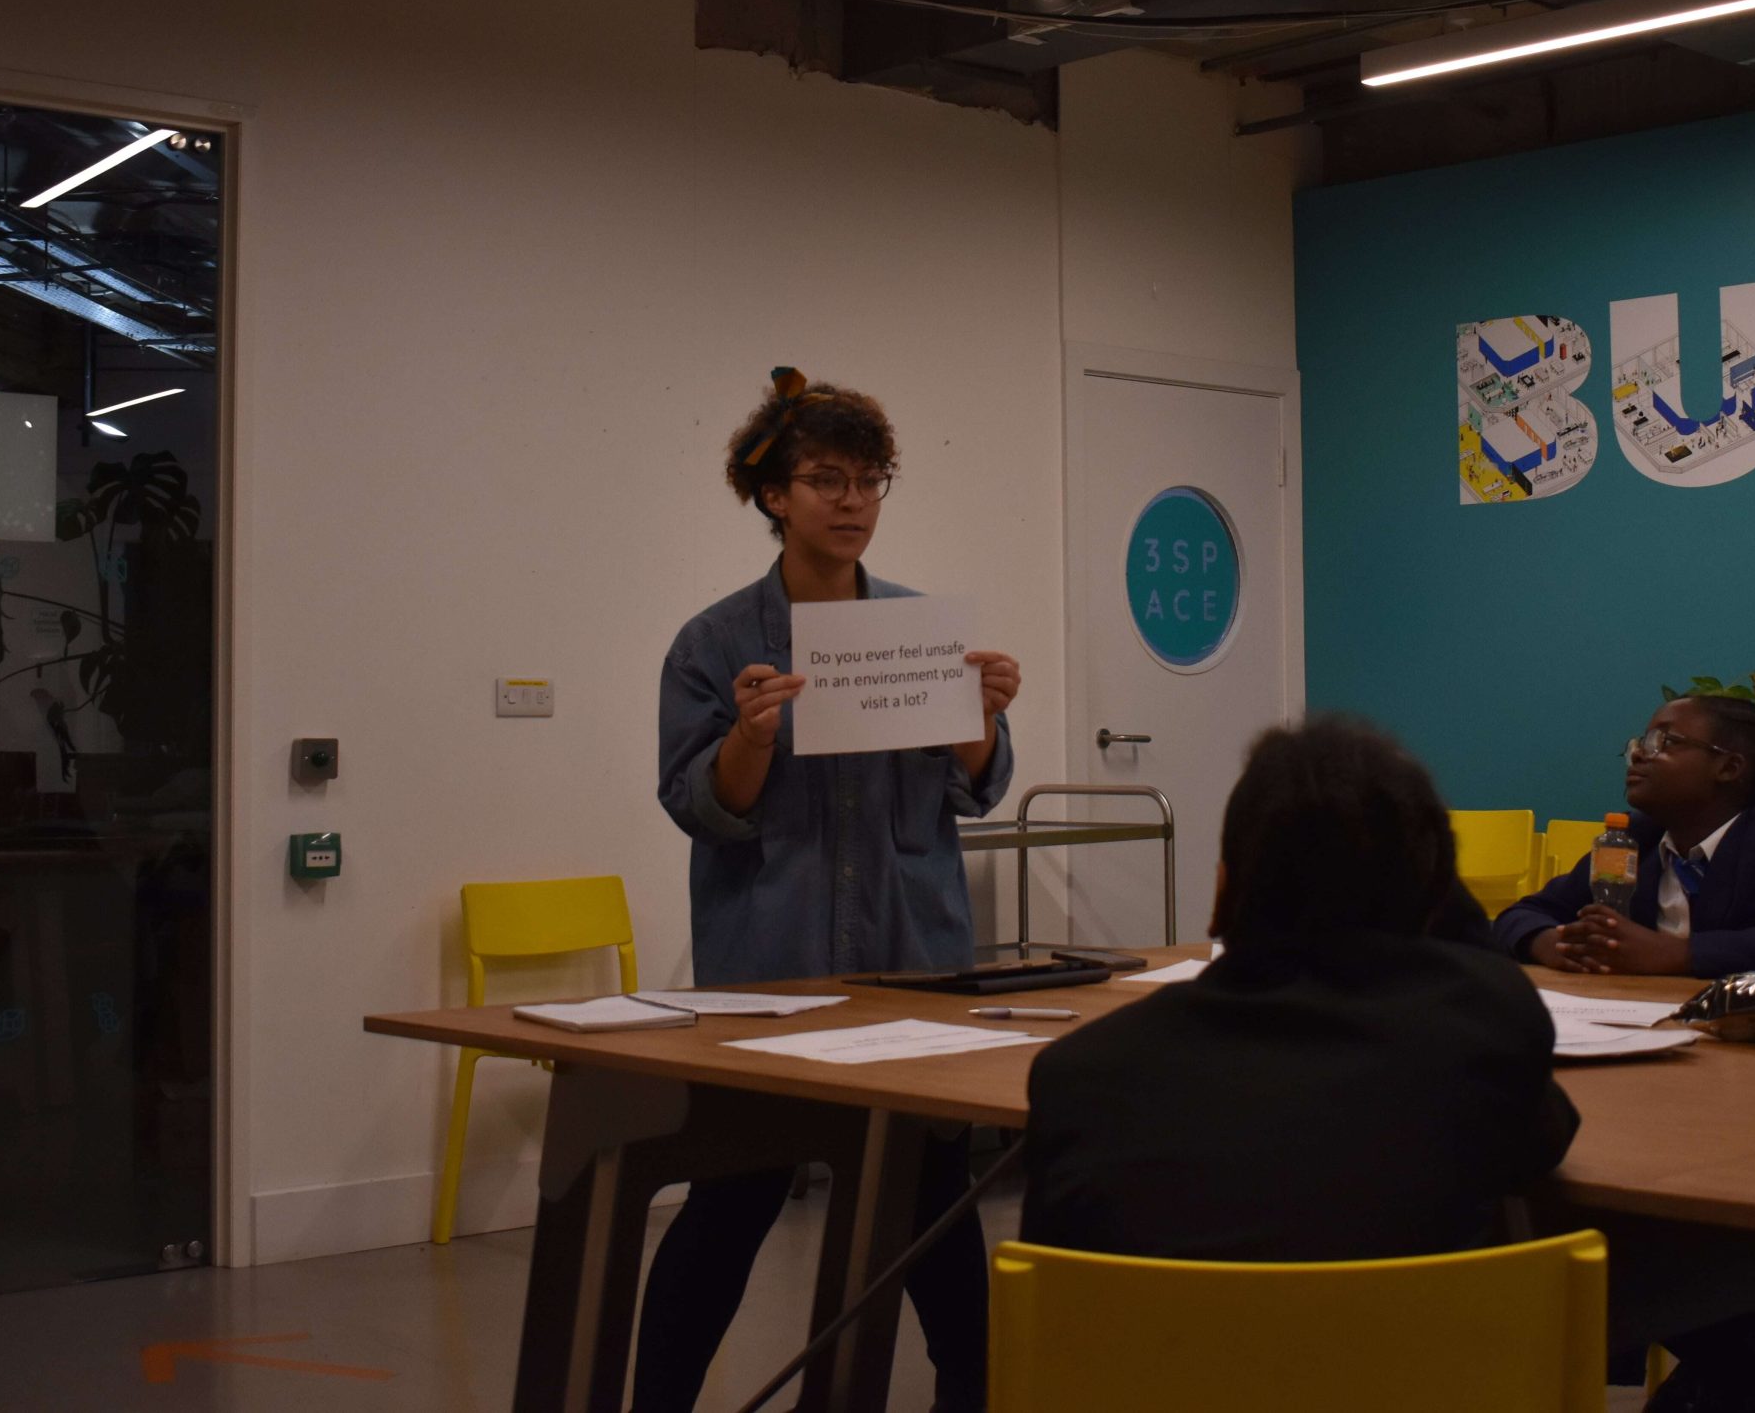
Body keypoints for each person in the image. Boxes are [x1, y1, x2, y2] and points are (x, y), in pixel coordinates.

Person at [634, 368, 1021, 1413]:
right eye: (825, 480)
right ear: (772, 495)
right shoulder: (713, 646)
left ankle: (970, 1394)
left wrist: (979, 718)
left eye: (869, 481)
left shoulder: (917, 633)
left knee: (931, 1204)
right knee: (732, 1201)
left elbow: (974, 789)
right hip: (771, 974)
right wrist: (751, 737)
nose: (851, 502)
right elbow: (701, 808)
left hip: (912, 967)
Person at [1018, 714, 1576, 1262]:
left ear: (1222, 891)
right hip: (1413, 1352)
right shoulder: (1487, 1027)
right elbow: (1542, 1143)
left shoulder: (1077, 1077)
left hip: (1167, 1353)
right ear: (1435, 897)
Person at [1492, 696, 1755, 978]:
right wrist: (1555, 944)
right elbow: (1523, 914)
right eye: (1641, 742)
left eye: (1662, 742)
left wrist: (1679, 954)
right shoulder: (1638, 838)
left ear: (1728, 768)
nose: (1639, 754)